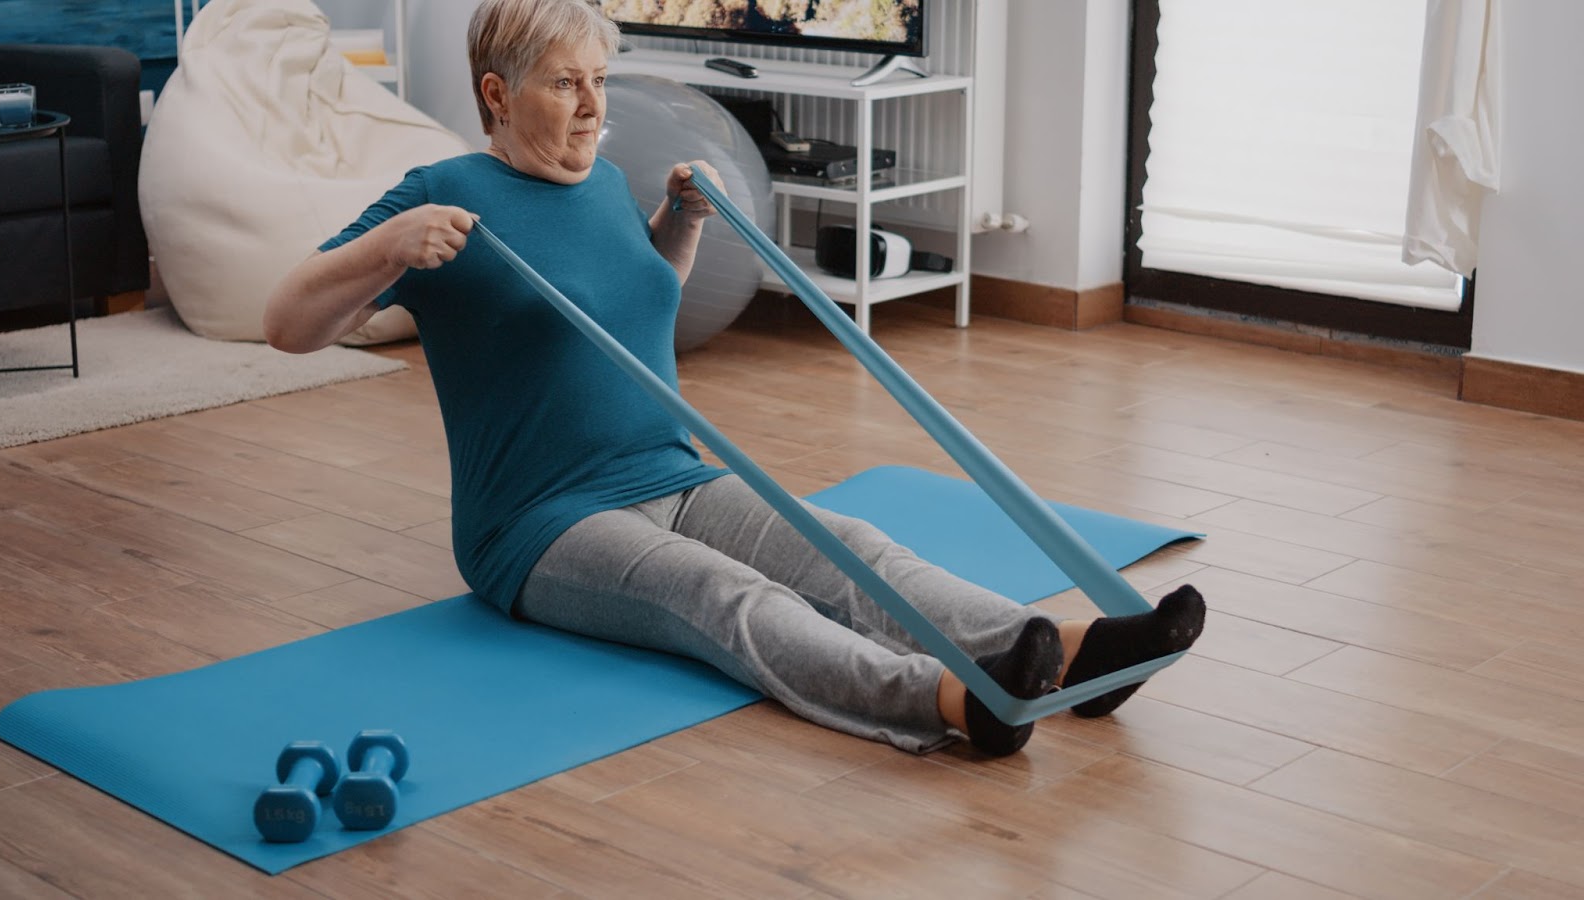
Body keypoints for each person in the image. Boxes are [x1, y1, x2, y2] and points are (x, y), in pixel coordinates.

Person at [264, 0, 1206, 758]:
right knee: (725, 598)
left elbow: (635, 315)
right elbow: (286, 326)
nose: (594, 107)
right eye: (566, 84)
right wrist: (385, 247)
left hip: (672, 472)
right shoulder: (442, 193)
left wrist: (680, 225)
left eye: (599, 80)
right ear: (497, 94)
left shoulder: (596, 181)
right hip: (540, 524)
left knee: (854, 549)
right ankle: (954, 703)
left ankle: (1073, 655)